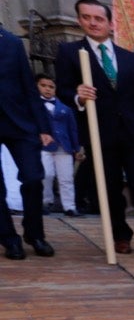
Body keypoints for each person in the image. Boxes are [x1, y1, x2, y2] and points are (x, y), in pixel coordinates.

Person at [55, 0, 134, 255]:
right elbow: (62, 90)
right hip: (100, 131)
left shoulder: (131, 58)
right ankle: (120, 235)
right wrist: (77, 96)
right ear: (79, 20)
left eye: (98, 18)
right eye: (87, 17)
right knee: (110, 185)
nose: (93, 23)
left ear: (109, 22)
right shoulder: (70, 53)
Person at [0, 25, 52, 260]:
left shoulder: (11, 42)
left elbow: (28, 85)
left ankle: (35, 234)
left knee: (33, 178)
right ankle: (9, 240)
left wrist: (43, 126)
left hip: (19, 122)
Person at [37, 75, 81, 216]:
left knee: (66, 177)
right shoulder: (35, 107)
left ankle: (69, 206)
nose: (47, 89)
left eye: (51, 87)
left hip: (64, 146)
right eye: (43, 86)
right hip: (44, 146)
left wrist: (76, 148)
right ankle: (45, 201)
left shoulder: (65, 109)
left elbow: (72, 129)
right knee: (46, 174)